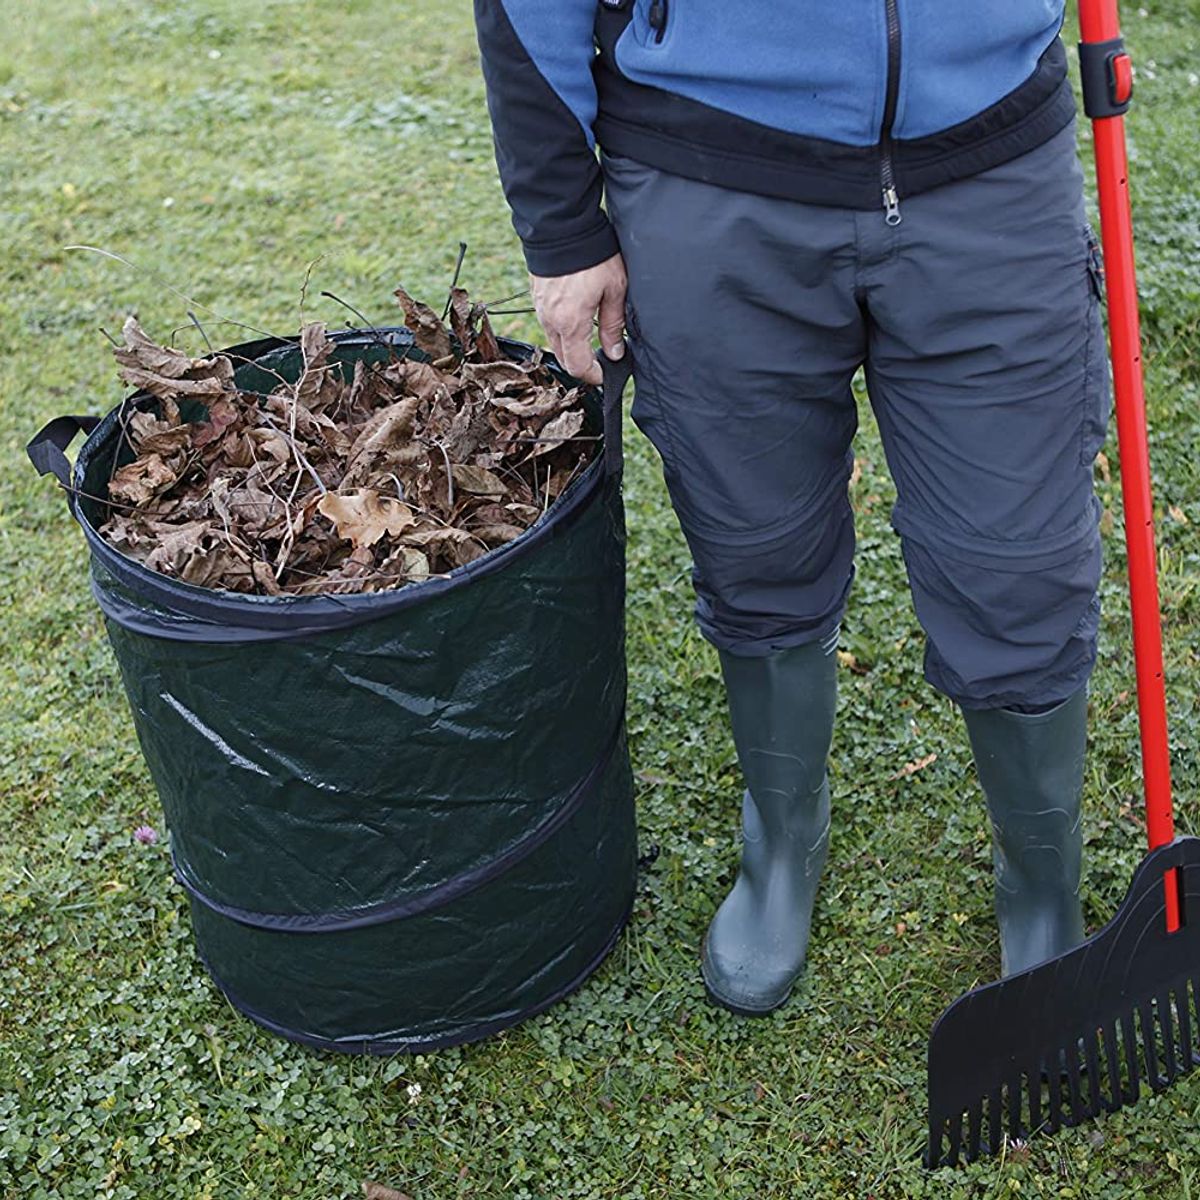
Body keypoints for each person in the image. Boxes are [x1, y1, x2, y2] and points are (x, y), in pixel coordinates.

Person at [473, 1, 1109, 1015]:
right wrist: (561, 225)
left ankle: (1043, 889)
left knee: (1019, 563)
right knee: (757, 546)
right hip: (706, 175)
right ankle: (783, 844)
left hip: (991, 172)